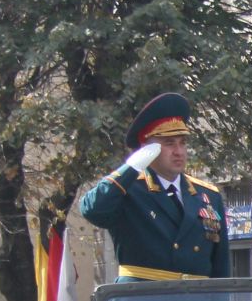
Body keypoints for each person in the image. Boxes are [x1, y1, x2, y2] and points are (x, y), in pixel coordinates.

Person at [77, 92, 230, 280]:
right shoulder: (128, 191)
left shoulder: (207, 196)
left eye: (182, 143)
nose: (179, 152)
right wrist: (131, 168)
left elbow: (221, 268)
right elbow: (92, 210)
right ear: (148, 150)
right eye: (169, 143)